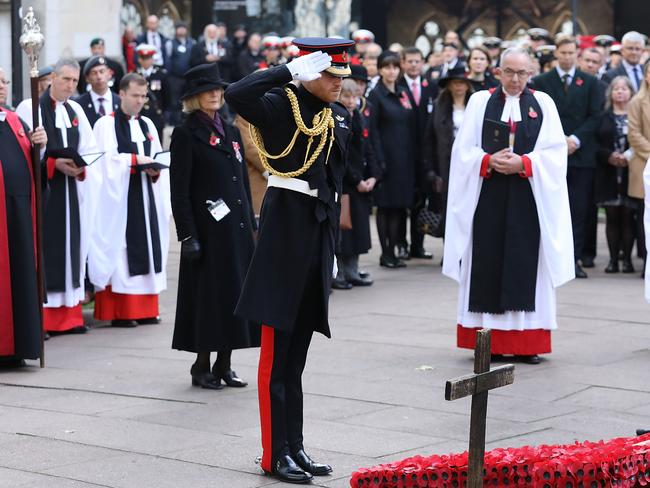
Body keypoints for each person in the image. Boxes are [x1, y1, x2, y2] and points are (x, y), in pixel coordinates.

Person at [225, 37, 353, 484]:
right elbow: (235, 95)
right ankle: (272, 452)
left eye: (341, 75)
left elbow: (337, 184)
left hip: (316, 230)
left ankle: (294, 445)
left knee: (297, 356)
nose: (339, 83)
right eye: (330, 75)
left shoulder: (336, 115)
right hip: (285, 232)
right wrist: (285, 70)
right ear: (309, 74)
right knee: (276, 355)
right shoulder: (281, 102)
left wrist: (331, 251)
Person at [444, 47, 574, 365]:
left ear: (531, 73)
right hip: (487, 195)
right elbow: (462, 153)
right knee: (486, 260)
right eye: (509, 72)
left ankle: (527, 343)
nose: (515, 80)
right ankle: (489, 342)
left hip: (528, 196)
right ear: (497, 72)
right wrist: (487, 160)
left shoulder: (543, 103)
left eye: (522, 73)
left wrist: (525, 163)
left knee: (526, 263)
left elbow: (556, 154)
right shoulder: (479, 102)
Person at [168, 62, 259, 390]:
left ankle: (225, 363)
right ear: (194, 97)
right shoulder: (185, 133)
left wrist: (250, 220)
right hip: (206, 234)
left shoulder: (232, 131)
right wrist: (187, 235)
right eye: (208, 91)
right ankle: (201, 364)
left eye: (219, 89)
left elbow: (243, 184)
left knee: (235, 298)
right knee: (209, 300)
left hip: (235, 232)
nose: (216, 95)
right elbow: (179, 191)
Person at [15, 58, 101, 335]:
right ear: (52, 77)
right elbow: (25, 148)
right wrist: (53, 164)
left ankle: (70, 317)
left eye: (75, 81)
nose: (70, 86)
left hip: (71, 193)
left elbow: (89, 148)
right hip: (45, 192)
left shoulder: (75, 109)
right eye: (66, 80)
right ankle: (44, 319)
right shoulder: (30, 108)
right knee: (46, 247)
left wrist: (79, 167)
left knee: (71, 248)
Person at [89, 73, 170, 327]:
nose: (139, 101)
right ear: (121, 94)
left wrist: (155, 169)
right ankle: (122, 312)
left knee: (149, 243)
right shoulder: (105, 124)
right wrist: (135, 161)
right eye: (135, 95)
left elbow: (156, 154)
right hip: (121, 200)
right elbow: (104, 163)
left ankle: (147, 309)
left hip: (146, 195)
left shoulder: (147, 124)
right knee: (123, 249)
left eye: (143, 96)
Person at [532, 35, 603, 279]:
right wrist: (558, 139)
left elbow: (595, 116)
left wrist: (574, 139)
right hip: (550, 155)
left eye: (571, 53)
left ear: (577, 55)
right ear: (556, 54)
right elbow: (537, 115)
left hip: (580, 156)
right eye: (562, 53)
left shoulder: (591, 82)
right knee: (549, 208)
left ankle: (573, 260)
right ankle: (547, 259)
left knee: (577, 210)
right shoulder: (542, 81)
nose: (567, 57)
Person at [0, 105, 47, 367]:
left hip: (19, 215)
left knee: (21, 278)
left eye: (4, 81)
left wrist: (39, 148)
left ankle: (20, 348)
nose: (1, 86)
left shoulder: (14, 120)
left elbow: (34, 165)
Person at [368, 50, 417, 268]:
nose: (392, 71)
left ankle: (395, 249)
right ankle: (386, 252)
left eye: (395, 67)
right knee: (385, 206)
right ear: (380, 69)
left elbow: (412, 122)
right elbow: (373, 131)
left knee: (399, 206)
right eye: (387, 67)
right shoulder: (376, 95)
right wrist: (378, 161)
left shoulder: (403, 92)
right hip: (386, 157)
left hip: (404, 158)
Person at [333, 78, 379, 289]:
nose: (351, 101)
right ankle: (339, 273)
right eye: (347, 96)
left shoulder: (358, 116)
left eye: (354, 97)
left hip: (360, 182)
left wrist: (373, 176)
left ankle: (352, 270)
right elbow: (343, 155)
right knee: (343, 231)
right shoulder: (336, 117)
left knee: (358, 231)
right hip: (346, 183)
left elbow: (367, 147)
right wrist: (357, 179)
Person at [422, 66, 473, 240]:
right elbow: (429, 138)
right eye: (455, 83)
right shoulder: (439, 105)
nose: (459, 86)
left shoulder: (476, 104)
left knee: (469, 205)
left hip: (470, 162)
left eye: (462, 83)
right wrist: (431, 169)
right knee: (448, 206)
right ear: (449, 85)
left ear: (468, 85)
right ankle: (449, 250)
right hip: (445, 163)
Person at [398, 46, 438, 260]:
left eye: (417, 61)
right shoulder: (397, 86)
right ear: (402, 63)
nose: (413, 65)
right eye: (409, 61)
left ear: (422, 63)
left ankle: (418, 245)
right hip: (403, 153)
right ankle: (400, 244)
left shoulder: (431, 87)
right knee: (402, 201)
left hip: (425, 155)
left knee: (422, 201)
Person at [594, 76, 636, 273]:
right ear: (610, 93)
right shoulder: (603, 116)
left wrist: (628, 156)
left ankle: (627, 259)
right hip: (609, 172)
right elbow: (596, 143)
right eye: (616, 88)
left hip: (630, 171)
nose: (620, 92)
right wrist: (609, 156)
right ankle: (612, 260)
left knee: (628, 217)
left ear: (631, 92)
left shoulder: (637, 115)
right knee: (612, 217)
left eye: (624, 88)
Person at [627, 59, 650, 276]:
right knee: (645, 216)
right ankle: (646, 261)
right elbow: (634, 134)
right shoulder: (637, 101)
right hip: (644, 164)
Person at [74, 55, 121, 128]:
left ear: (109, 74)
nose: (99, 77)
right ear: (87, 78)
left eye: (102, 72)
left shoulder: (120, 102)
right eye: (94, 73)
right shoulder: (79, 104)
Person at [164, 21, 196, 126]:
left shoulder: (192, 42)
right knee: (175, 101)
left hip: (188, 77)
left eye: (183, 28)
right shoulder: (170, 43)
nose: (181, 30)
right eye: (179, 28)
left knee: (188, 99)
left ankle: (187, 121)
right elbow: (167, 60)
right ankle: (175, 123)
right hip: (175, 77)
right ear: (176, 30)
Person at [135, 44, 167, 138]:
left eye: (148, 58)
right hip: (139, 114)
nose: (145, 61)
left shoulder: (161, 75)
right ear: (139, 59)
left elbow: (166, 96)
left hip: (156, 114)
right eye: (143, 58)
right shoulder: (134, 75)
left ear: (152, 59)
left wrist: (164, 114)